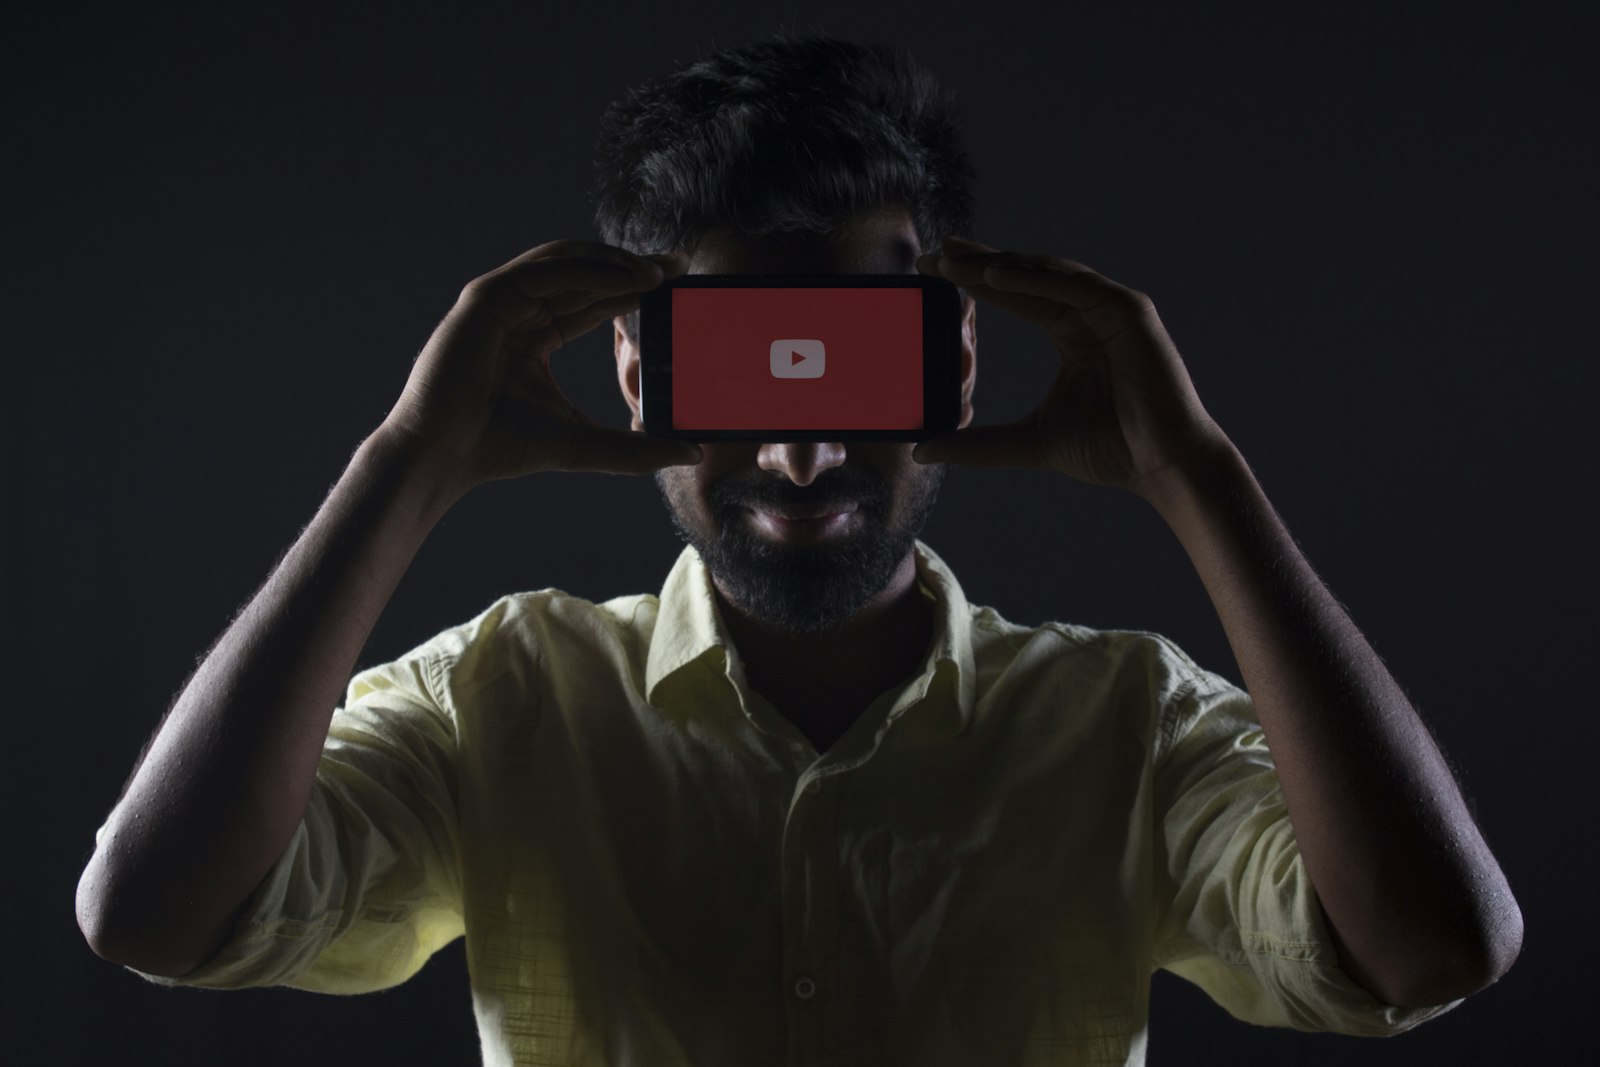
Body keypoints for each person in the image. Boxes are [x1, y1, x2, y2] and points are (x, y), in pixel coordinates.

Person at [75, 31, 1521, 1067]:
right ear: (638, 382)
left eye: (845, 366)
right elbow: (154, 916)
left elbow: (1430, 953)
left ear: (952, 369)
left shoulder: (1125, 727)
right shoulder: (505, 699)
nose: (800, 453)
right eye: (746, 372)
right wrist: (407, 465)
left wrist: (1199, 476)